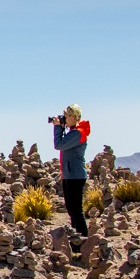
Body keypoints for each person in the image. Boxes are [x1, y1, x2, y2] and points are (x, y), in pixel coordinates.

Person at [51, 104, 91, 242]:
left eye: (66, 116)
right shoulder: (73, 132)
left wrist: (57, 127)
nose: (64, 119)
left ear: (74, 117)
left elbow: (59, 145)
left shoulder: (78, 133)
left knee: (76, 210)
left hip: (75, 175)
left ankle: (84, 240)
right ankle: (76, 240)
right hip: (70, 174)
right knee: (71, 209)